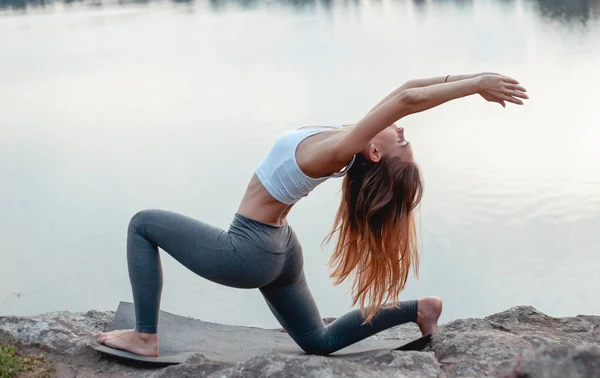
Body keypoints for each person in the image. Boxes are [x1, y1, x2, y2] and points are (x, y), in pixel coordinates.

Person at [97, 72, 528, 357]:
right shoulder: (350, 140)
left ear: (375, 152)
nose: (400, 126)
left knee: (142, 224)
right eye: (402, 131)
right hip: (280, 248)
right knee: (316, 342)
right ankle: (419, 308)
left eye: (403, 138)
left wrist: (476, 86)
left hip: (248, 249)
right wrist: (473, 79)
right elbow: (407, 89)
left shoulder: (339, 150)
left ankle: (144, 336)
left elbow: (408, 99)